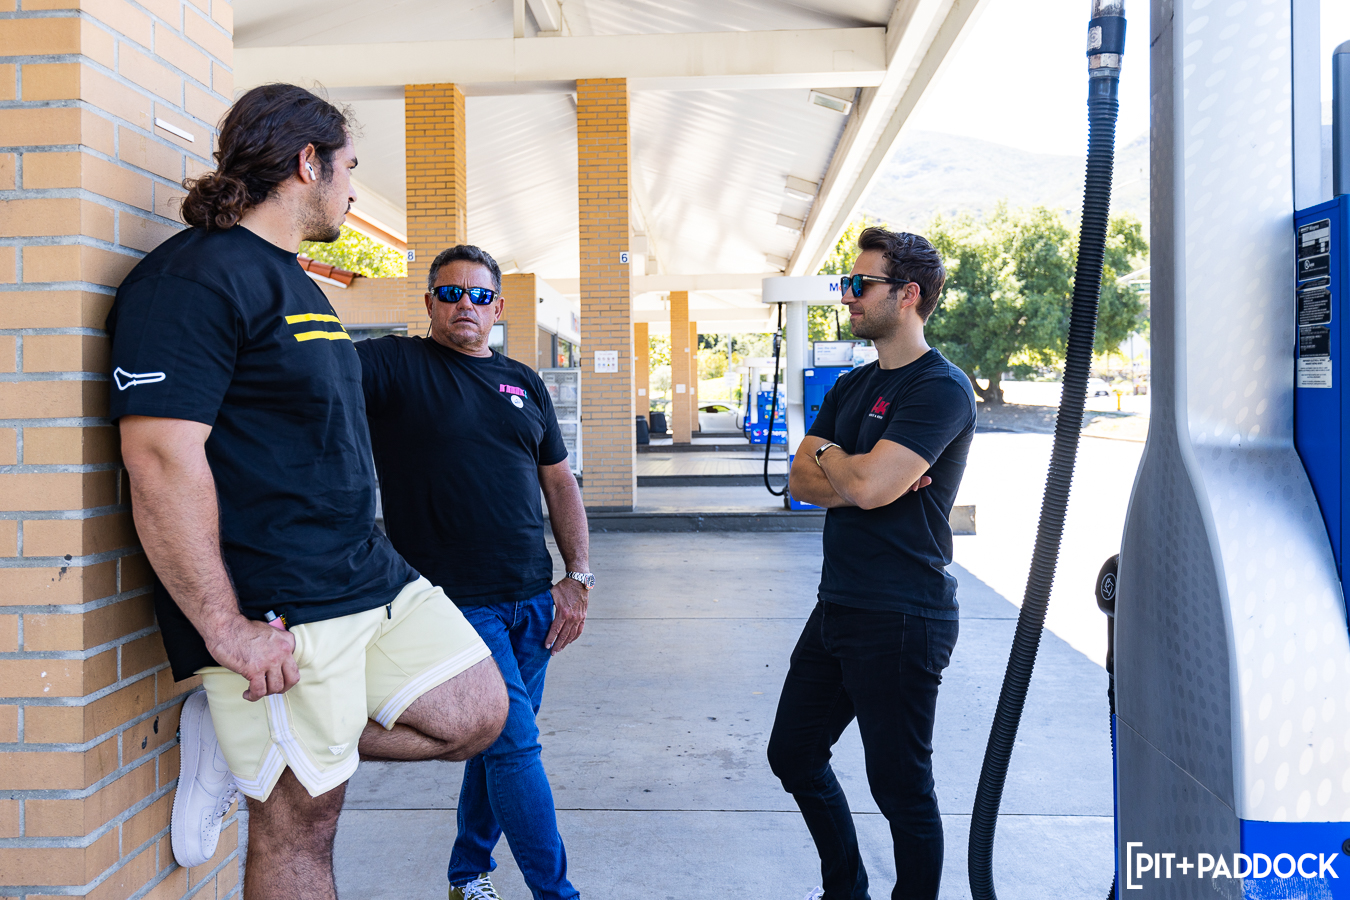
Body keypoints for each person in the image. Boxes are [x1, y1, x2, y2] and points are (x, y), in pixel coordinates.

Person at [106, 84, 509, 900]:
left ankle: (238, 734)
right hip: (282, 600)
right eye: (349, 167)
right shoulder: (191, 280)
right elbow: (158, 459)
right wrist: (226, 629)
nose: (354, 189)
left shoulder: (294, 279)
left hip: (364, 571)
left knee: (474, 713)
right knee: (304, 829)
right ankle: (251, 723)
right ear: (307, 163)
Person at [355, 244, 589, 900]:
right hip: (456, 605)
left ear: (498, 308)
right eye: (452, 293)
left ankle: (467, 874)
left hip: (533, 602)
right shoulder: (395, 365)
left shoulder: (524, 382)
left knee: (498, 743)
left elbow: (559, 483)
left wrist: (578, 576)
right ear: (430, 302)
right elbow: (311, 367)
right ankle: (557, 894)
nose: (466, 305)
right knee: (515, 748)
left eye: (480, 295)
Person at [768, 227, 976, 900]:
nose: (847, 296)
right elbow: (803, 481)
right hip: (840, 604)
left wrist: (843, 465)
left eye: (860, 284)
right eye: (845, 283)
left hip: (903, 615)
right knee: (793, 753)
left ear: (907, 295)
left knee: (900, 788)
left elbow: (863, 487)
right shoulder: (854, 385)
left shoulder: (941, 389)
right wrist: (854, 468)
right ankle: (846, 890)